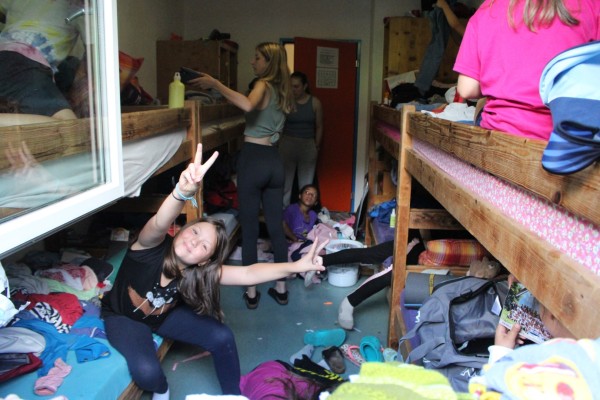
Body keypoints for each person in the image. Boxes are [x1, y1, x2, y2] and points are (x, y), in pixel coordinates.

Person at [101, 143, 327, 399]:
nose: (194, 242)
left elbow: (248, 274)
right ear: (182, 230)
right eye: (195, 232)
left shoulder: (198, 272)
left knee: (221, 336)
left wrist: (295, 266)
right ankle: (163, 390)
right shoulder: (148, 247)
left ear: (204, 261)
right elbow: (159, 222)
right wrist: (180, 193)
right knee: (148, 373)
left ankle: (233, 395)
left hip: (163, 316)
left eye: (204, 246)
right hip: (123, 317)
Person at [191, 42, 294, 309]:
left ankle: (251, 293)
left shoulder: (263, 84)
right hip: (274, 161)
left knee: (249, 229)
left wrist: (216, 84)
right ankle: (281, 290)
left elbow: (248, 105)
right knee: (276, 228)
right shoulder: (284, 90)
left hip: (254, 159)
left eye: (257, 58)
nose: (252, 62)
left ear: (268, 62)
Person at [454, 0, 600, 140]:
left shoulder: (488, 9)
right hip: (563, 140)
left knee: (480, 106)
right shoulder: (591, 5)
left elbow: (467, 89)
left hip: (500, 131)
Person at [0, 0, 84, 126]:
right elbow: (95, 56)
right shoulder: (81, 7)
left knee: (69, 67)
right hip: (23, 62)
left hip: (8, 54)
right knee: (69, 126)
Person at [279, 71, 323, 207]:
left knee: (306, 185)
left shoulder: (315, 103)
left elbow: (319, 126)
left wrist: (316, 146)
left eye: (296, 86)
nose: (293, 90)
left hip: (307, 145)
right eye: (291, 86)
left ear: (304, 86)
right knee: (285, 183)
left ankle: (304, 214)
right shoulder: (286, 102)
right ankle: (284, 213)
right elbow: (280, 125)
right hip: (287, 144)